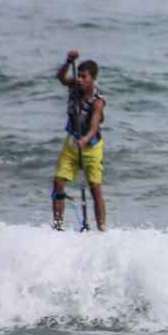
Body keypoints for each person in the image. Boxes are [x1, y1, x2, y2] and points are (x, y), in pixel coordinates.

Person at [52, 50, 106, 231]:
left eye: (84, 77)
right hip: (72, 143)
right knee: (59, 182)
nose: (80, 80)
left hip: (91, 146)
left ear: (93, 79)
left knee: (94, 187)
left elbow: (94, 126)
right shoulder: (73, 86)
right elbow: (60, 77)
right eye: (79, 76)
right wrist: (69, 61)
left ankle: (101, 230)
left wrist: (85, 139)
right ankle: (58, 227)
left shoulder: (97, 101)